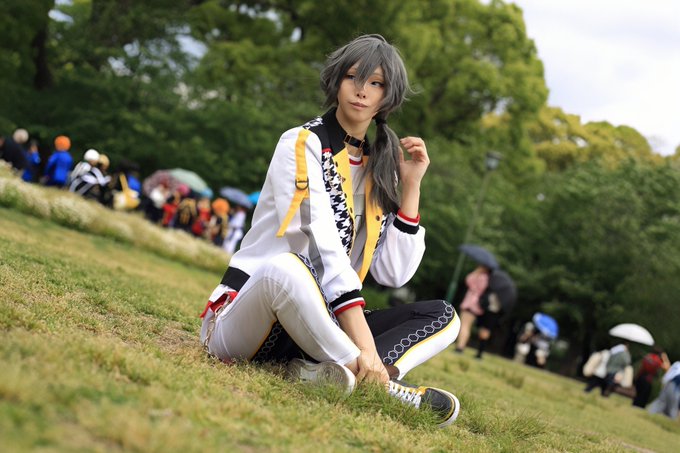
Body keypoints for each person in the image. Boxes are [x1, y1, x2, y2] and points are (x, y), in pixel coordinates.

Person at [199, 34, 461, 427]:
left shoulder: (380, 168)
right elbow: (322, 249)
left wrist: (411, 188)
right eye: (353, 77)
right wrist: (366, 347)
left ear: (387, 96)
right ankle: (384, 386)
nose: (361, 90)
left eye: (376, 83)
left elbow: (393, 273)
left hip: (320, 328)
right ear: (336, 80)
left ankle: (322, 371)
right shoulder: (301, 143)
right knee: (288, 267)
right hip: (248, 319)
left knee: (444, 316)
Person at [453, 265, 490, 354]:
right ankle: (461, 346)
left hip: (470, 304)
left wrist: (476, 272)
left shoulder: (481, 277)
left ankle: (460, 346)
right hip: (475, 305)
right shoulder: (486, 278)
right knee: (466, 326)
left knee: (464, 326)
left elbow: (468, 280)